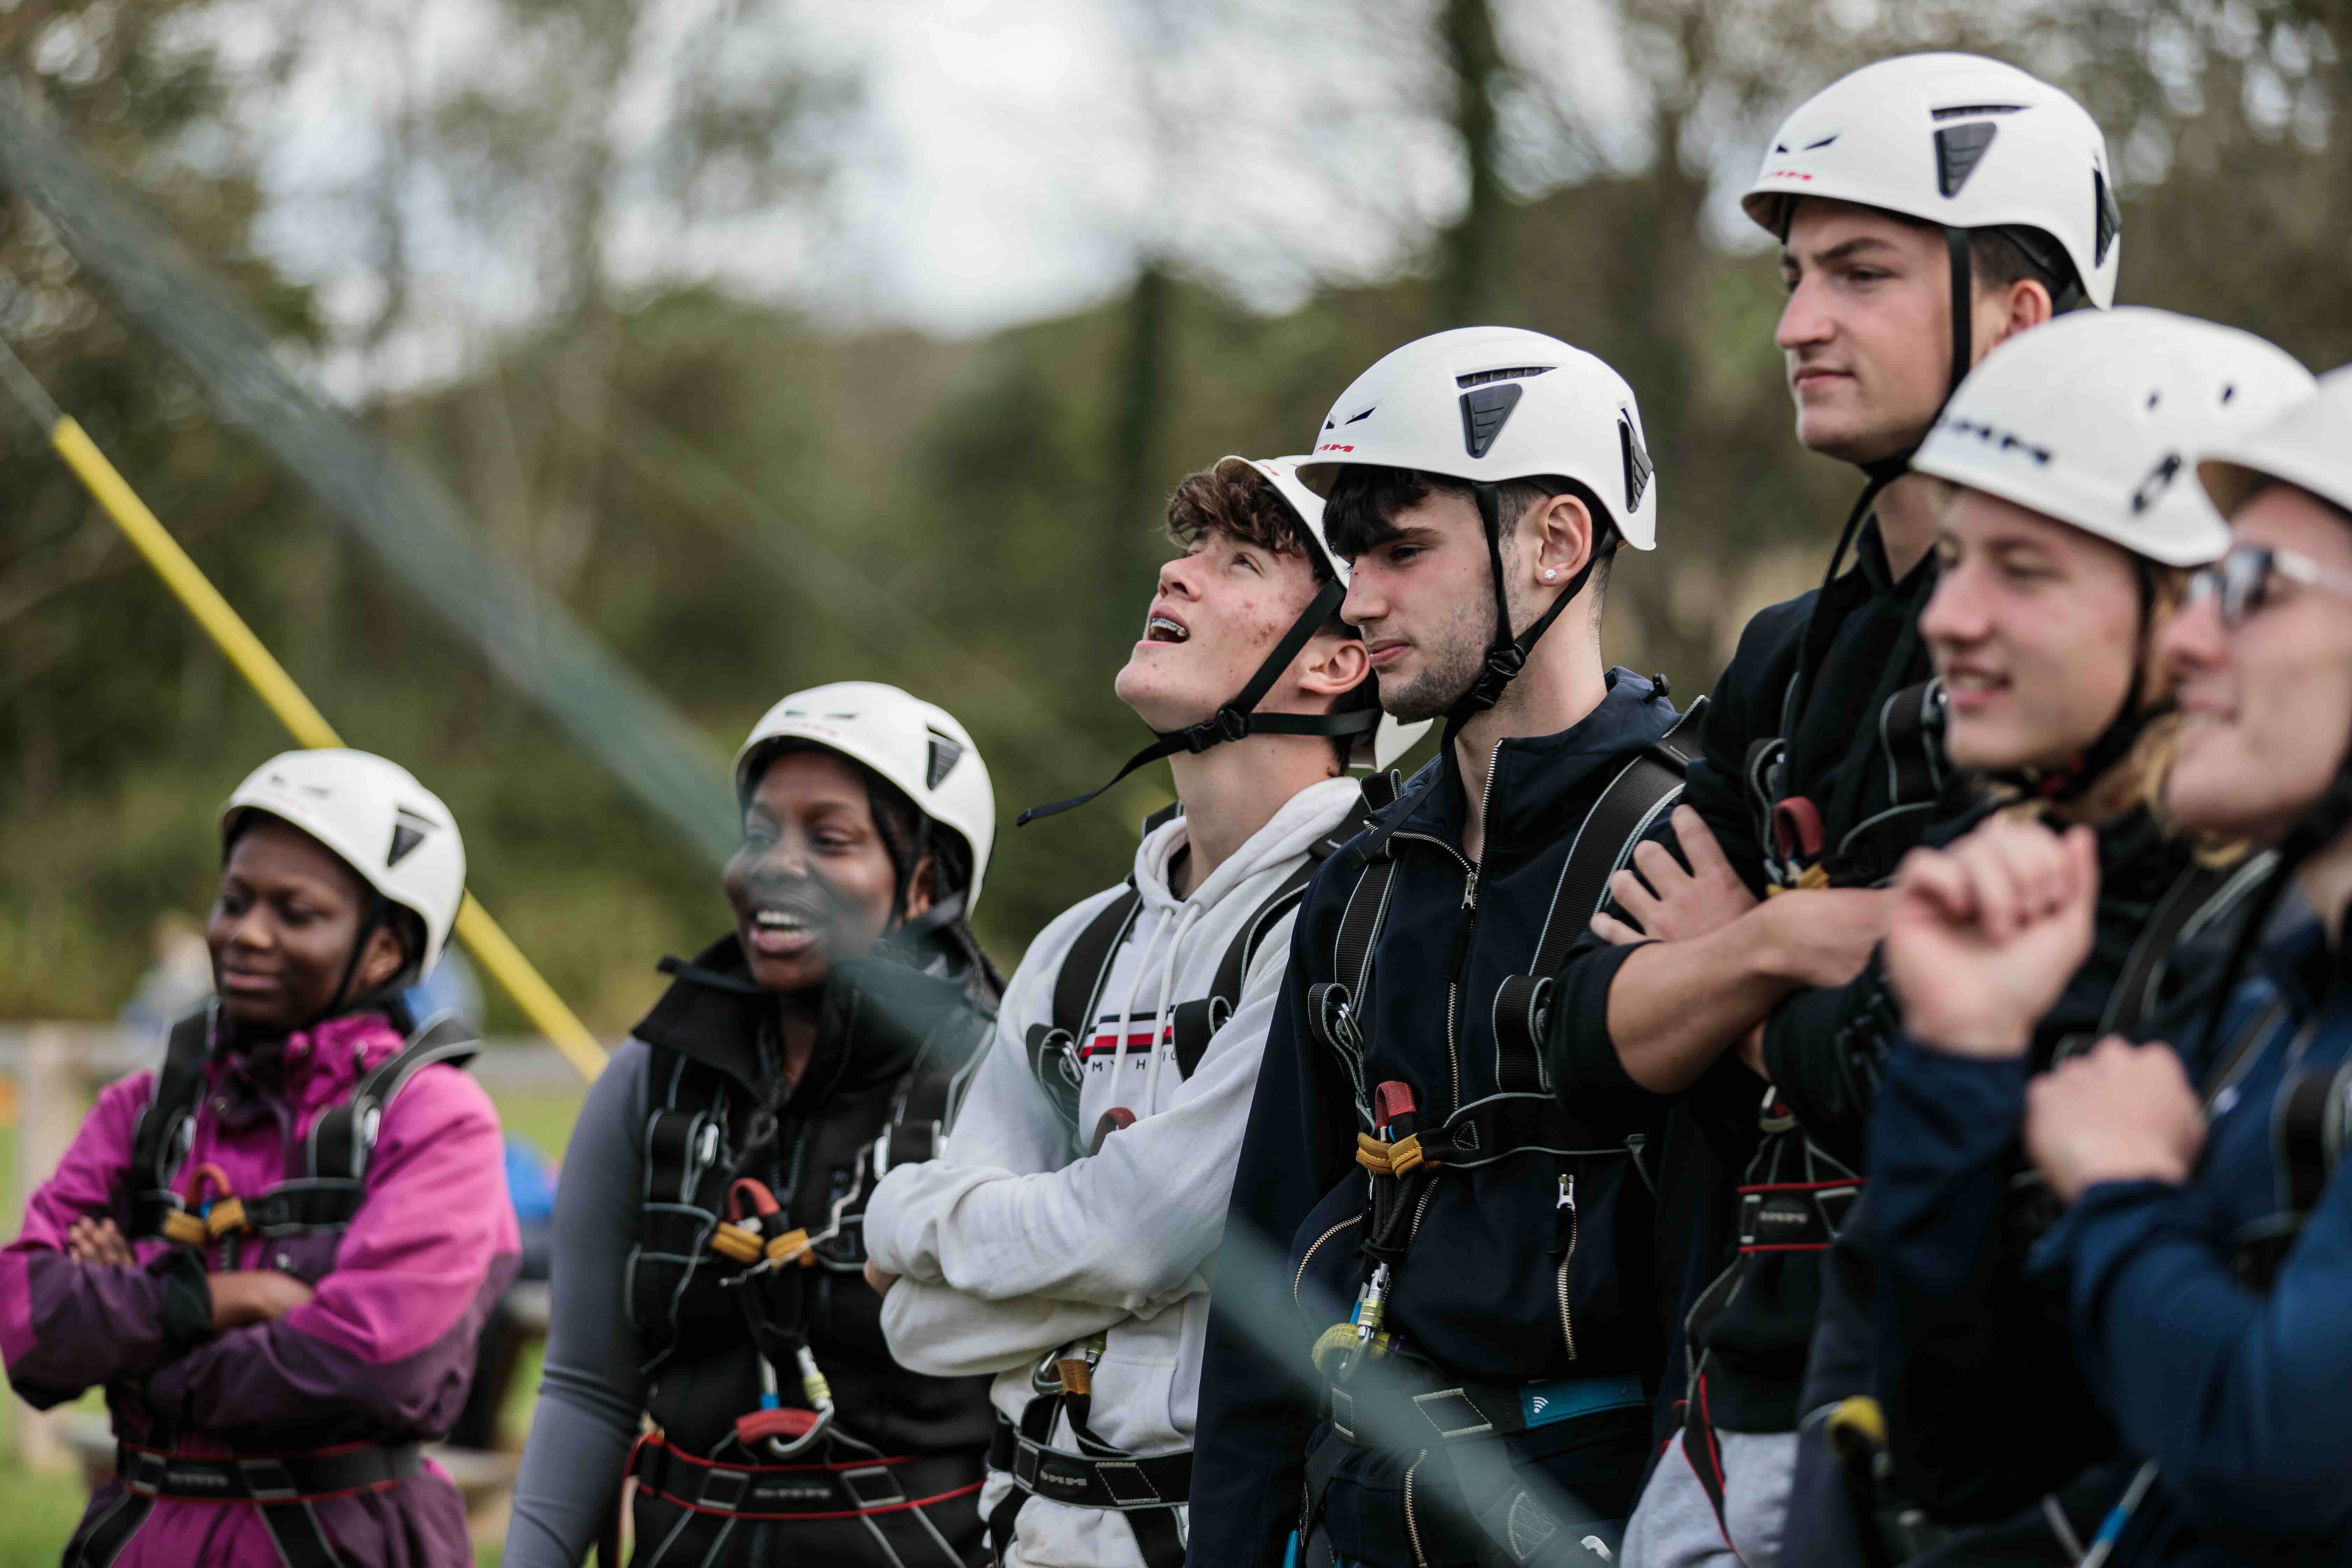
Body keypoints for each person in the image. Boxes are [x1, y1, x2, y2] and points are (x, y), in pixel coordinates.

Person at [1534, 54, 2119, 1567]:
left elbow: (1937, 1064)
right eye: (1795, 275)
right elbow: (1581, 1034)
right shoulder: (1790, 655)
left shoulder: (2095, 663)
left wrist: (1731, 956)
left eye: (1860, 273)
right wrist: (1804, 942)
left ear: (2022, 311)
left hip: (1986, 1412)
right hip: (1733, 1399)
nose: (1797, 322)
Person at [1755, 308, 2311, 1564]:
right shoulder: (2019, 884)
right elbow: (1939, 1413)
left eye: (2025, 569)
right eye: (1954, 563)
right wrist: (1957, 1064)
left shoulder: (2276, 935)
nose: (1949, 619)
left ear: (2193, 602)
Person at [1187, 326, 1694, 1568]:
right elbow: (1259, 1289)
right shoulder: (1359, 884)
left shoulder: (1687, 852)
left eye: (1402, 550)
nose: (1356, 598)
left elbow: (1721, 1288)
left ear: (1557, 544)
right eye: (1352, 553)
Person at [859, 455, 1414, 1568]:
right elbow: (913, 1328)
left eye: (1241, 562)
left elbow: (1128, 1238)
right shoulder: (1078, 945)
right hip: (1019, 1530)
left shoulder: (1348, 915)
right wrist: (1105, 1258)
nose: (1177, 573)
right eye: (1190, 549)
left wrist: (914, 1230)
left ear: (1336, 661)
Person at [504, 682, 1006, 1567]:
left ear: (926, 876)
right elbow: (587, 1385)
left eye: (829, 836)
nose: (772, 865)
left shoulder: (1000, 1082)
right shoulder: (650, 1081)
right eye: (758, 833)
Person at [0, 748, 516, 1568]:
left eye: (296, 912)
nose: (245, 932)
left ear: (383, 951)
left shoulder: (437, 1122)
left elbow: (370, 1365)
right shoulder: (145, 1108)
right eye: (233, 900)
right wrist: (217, 1299)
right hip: (135, 1538)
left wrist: (135, 1340)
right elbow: (31, 1328)